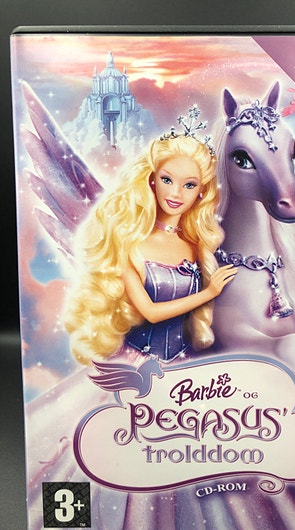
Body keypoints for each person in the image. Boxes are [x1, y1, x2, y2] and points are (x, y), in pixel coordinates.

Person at [64, 109, 237, 365]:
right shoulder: (128, 240)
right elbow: (151, 313)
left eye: (189, 185)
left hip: (185, 363)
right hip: (137, 365)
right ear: (152, 180)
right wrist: (209, 292)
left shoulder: (197, 246)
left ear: (201, 192)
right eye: (167, 180)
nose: (176, 193)